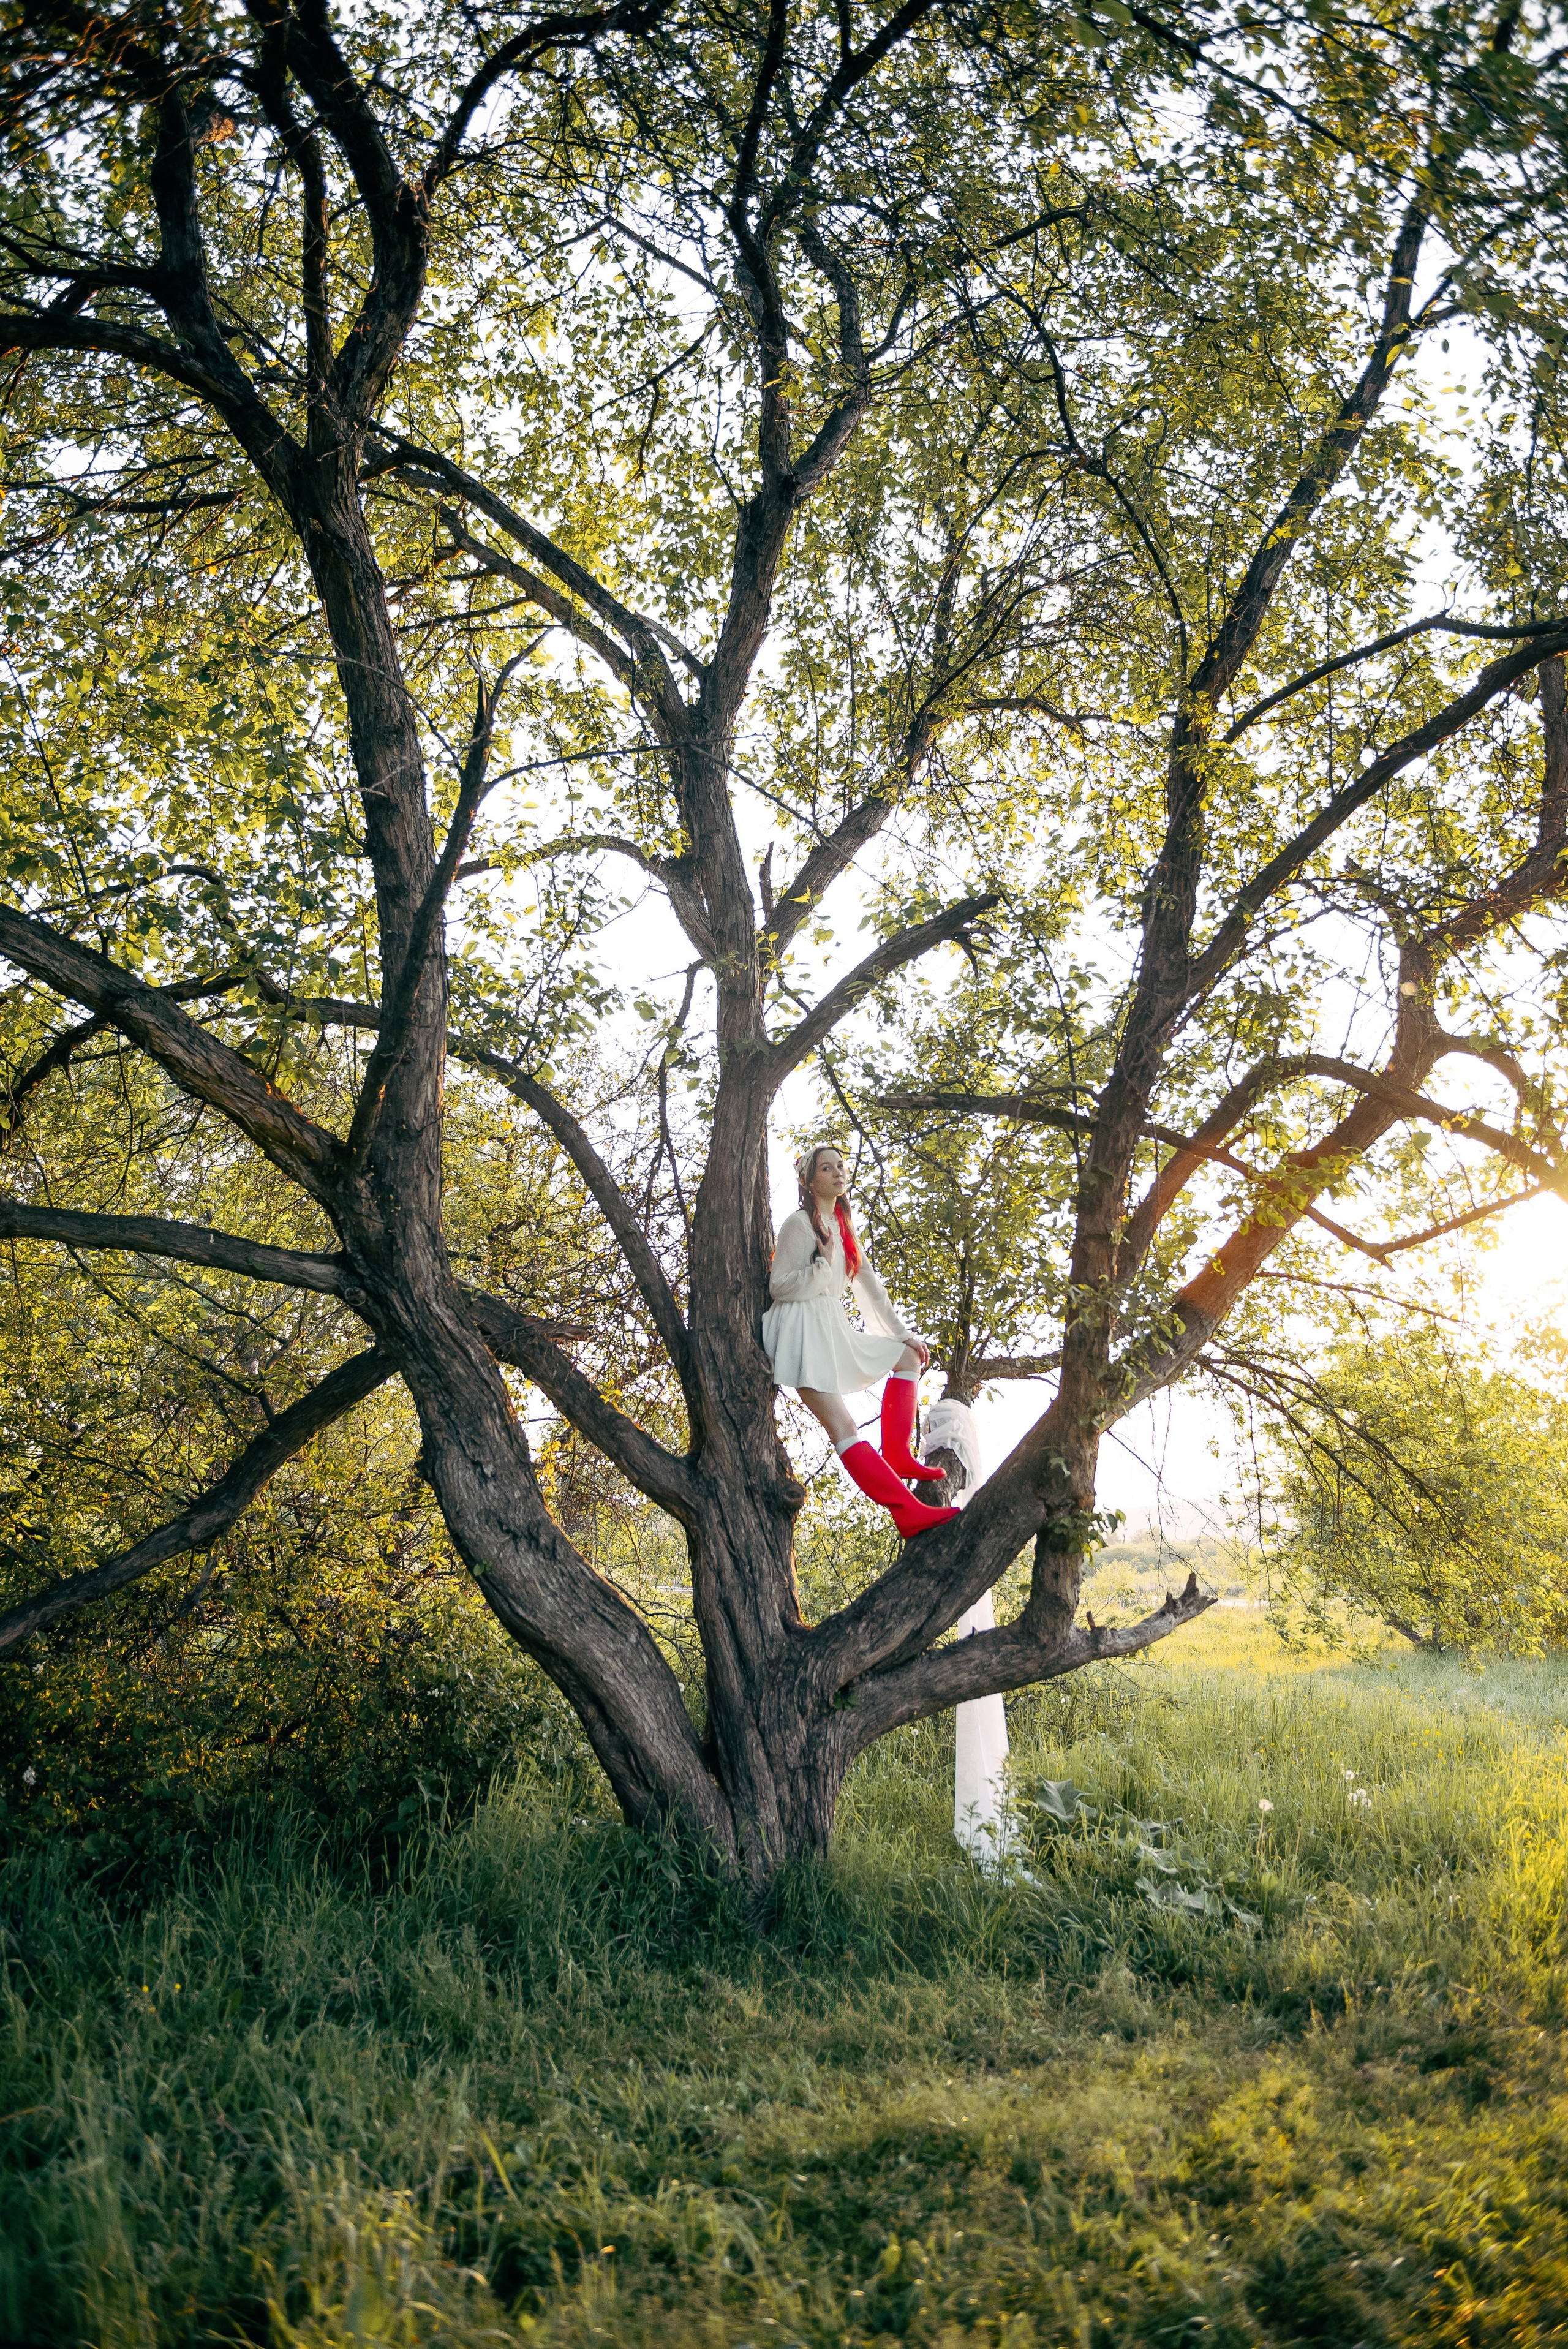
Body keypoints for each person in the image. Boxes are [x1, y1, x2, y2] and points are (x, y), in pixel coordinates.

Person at [762, 1144, 960, 1540]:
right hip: (801, 1328)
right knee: (844, 1425)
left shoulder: (843, 1225)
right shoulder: (800, 1225)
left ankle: (898, 1453)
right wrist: (822, 1263)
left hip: (830, 1325)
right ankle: (906, 1511)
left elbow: (870, 1288)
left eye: (841, 1166)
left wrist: (902, 1333)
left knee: (907, 1356)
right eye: (826, 1167)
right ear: (809, 1179)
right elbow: (779, 1286)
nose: (838, 1172)